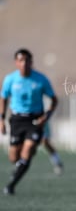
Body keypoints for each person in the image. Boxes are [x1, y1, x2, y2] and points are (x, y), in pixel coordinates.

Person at [1, 48, 58, 195]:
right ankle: (21, 165)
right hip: (16, 120)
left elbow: (54, 99)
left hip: (35, 120)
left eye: (27, 60)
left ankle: (11, 185)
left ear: (31, 62)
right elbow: (3, 98)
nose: (24, 63)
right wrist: (1, 119)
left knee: (28, 148)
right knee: (14, 157)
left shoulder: (41, 79)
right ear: (16, 62)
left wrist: (46, 116)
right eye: (21, 60)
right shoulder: (10, 79)